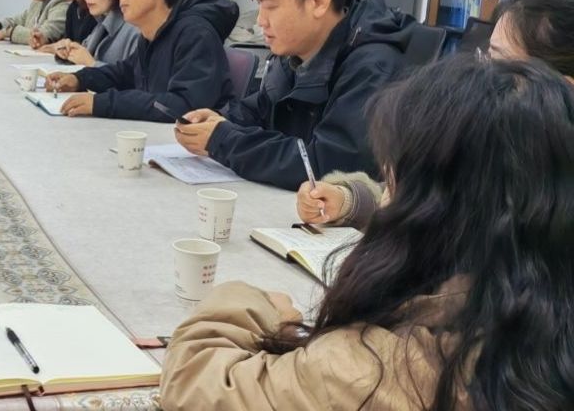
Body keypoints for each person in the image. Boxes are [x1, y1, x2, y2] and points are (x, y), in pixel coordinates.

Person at [158, 56, 574, 410]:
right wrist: (354, 199)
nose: (262, 19)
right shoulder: (541, 316)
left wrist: (255, 305)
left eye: (391, 183)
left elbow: (194, 381)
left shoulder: (378, 369)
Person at [298, 0, 574, 226]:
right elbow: (427, 194)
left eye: (499, 60)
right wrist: (349, 200)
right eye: (487, 56)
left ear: (562, 88)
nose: (483, 74)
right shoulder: (496, 135)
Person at [175, 0, 412, 189]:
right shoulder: (296, 51)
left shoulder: (373, 67)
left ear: (318, 1)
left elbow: (326, 167)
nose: (260, 21)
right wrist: (219, 121)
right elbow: (260, 110)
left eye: (270, 6)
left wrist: (223, 140)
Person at [45, 0, 237, 120]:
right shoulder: (153, 32)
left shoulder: (196, 33)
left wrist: (102, 103)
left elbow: (183, 106)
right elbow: (125, 73)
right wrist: (80, 79)